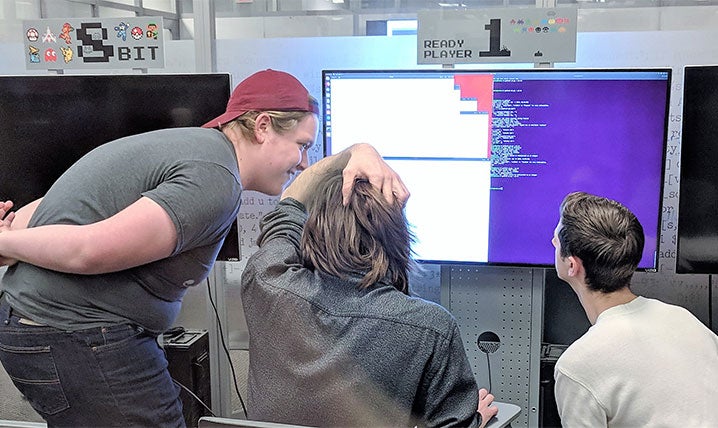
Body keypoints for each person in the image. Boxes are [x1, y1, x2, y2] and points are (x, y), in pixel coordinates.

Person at [0, 68, 408, 427]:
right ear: (263, 126)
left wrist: (361, 151)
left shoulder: (197, 149)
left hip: (49, 329)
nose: (303, 162)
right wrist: (5, 241)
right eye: (302, 145)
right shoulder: (214, 180)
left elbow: (55, 209)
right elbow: (86, 250)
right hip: (79, 336)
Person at [240, 153, 499, 427]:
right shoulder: (431, 328)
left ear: (311, 231)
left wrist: (356, 150)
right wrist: (474, 420)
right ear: (399, 239)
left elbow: (291, 199)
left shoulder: (266, 283)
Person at [551, 191, 718, 427]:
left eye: (557, 238)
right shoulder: (684, 319)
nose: (553, 242)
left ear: (572, 265)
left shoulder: (577, 366)